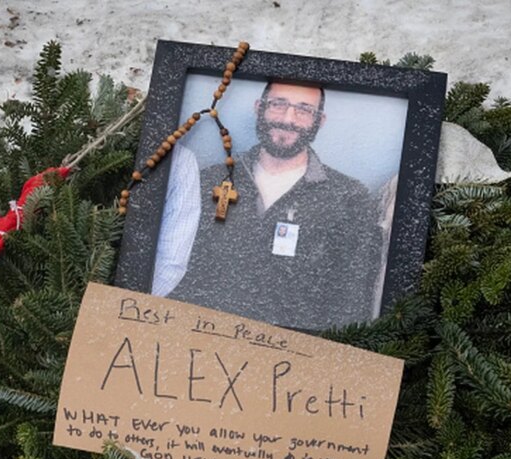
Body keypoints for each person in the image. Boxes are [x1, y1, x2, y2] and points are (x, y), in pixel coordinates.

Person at [160, 80, 383, 331]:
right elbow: (174, 268)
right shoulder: (207, 181)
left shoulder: (349, 198)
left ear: (319, 121)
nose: (288, 119)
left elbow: (351, 302)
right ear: (259, 108)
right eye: (278, 104)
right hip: (201, 339)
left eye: (304, 110)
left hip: (292, 349)